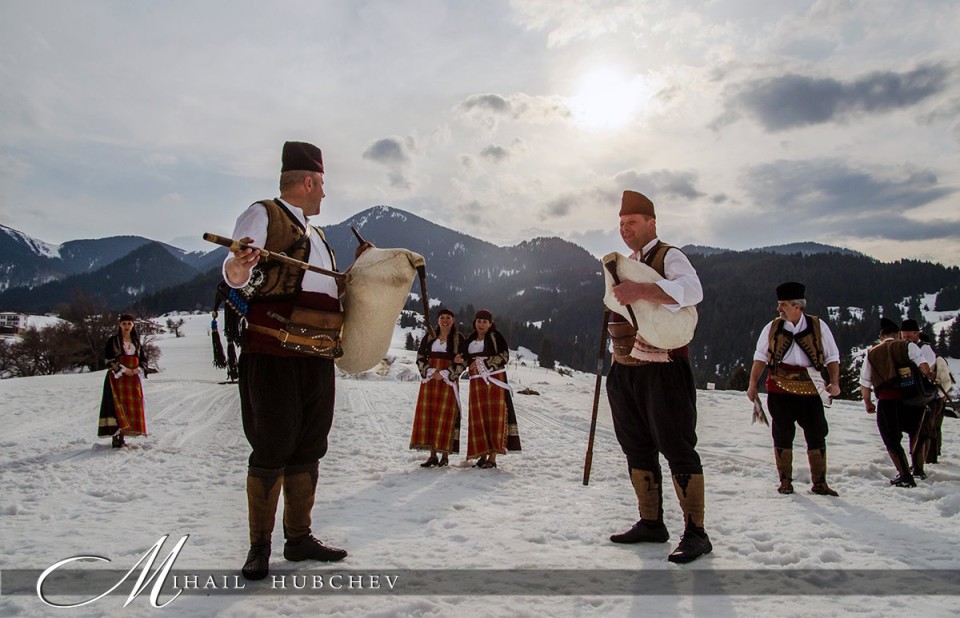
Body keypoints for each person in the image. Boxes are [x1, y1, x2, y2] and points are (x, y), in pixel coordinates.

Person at [223, 141, 351, 581]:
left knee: (310, 445)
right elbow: (235, 271)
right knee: (273, 445)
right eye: (322, 186)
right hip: (274, 352)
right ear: (310, 180)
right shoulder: (264, 214)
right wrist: (241, 263)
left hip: (316, 357)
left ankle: (298, 539)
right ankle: (260, 547)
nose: (324, 196)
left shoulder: (319, 237)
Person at [605, 190, 711, 564]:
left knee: (677, 444)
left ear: (651, 222)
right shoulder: (627, 262)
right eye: (621, 224)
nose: (625, 229)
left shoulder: (670, 256)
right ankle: (651, 522)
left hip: (665, 369)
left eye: (631, 222)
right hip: (627, 369)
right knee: (636, 445)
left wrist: (642, 289)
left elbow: (692, 291)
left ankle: (696, 533)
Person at [746, 282, 842, 497]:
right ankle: (785, 481)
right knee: (782, 433)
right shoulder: (771, 328)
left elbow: (832, 357)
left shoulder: (819, 327)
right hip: (780, 389)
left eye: (784, 305)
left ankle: (820, 483)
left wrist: (834, 382)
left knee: (817, 433)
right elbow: (760, 358)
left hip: (810, 389)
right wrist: (752, 384)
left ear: (798, 306)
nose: (779, 309)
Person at [859, 317, 932, 487]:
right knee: (916, 433)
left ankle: (905, 475)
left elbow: (865, 382)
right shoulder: (908, 346)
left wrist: (868, 402)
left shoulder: (872, 352)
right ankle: (918, 469)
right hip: (911, 400)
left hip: (887, 401)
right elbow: (924, 366)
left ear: (881, 336)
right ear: (897, 334)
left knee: (891, 439)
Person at [463, 309, 521, 469]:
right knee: (479, 416)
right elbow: (465, 358)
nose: (481, 324)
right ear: (475, 323)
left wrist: (485, 362)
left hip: (494, 380)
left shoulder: (496, 337)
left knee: (495, 415)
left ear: (490, 324)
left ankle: (493, 456)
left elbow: (504, 356)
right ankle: (482, 454)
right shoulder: (470, 339)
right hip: (476, 384)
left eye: (485, 322)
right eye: (479, 321)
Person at [410, 308, 467, 467]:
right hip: (430, 381)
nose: (445, 320)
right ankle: (432, 455)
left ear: (453, 320)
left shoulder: (458, 338)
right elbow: (420, 356)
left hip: (448, 381)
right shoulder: (429, 337)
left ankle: (445, 456)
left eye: (448, 317)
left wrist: (445, 372)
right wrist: (429, 371)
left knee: (446, 416)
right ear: (438, 320)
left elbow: (464, 361)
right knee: (431, 416)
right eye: (442, 317)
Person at [97, 313, 149, 448]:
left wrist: (137, 370)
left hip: (133, 378)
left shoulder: (136, 342)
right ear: (119, 325)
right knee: (116, 405)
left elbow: (143, 359)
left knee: (129, 406)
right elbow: (108, 359)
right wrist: (123, 369)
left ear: (133, 325)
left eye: (129, 324)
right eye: (124, 323)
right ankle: (116, 436)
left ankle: (125, 433)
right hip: (117, 377)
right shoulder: (113, 341)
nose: (127, 326)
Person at [900, 321, 937, 477]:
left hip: (925, 397)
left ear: (917, 334)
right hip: (911, 396)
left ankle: (918, 468)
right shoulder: (904, 347)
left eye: (911, 333)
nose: (907, 336)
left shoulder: (925, 349)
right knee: (914, 432)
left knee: (921, 433)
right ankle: (915, 465)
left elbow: (925, 369)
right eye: (904, 334)